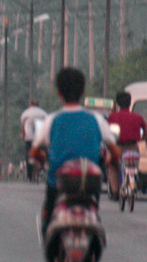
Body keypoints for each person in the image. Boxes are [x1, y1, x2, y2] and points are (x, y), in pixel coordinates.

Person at [30, 68, 120, 238]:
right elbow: (115, 150)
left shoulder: (51, 120)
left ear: (59, 93)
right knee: (93, 212)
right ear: (83, 91)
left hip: (58, 183)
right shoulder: (97, 119)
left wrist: (43, 158)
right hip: (90, 182)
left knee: (48, 221)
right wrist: (108, 161)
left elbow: (34, 151)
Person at [105, 91, 147, 199]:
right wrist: (142, 138)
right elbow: (145, 130)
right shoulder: (137, 117)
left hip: (117, 147)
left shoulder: (113, 116)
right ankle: (134, 182)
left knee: (113, 167)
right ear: (130, 103)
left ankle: (115, 192)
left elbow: (107, 131)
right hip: (133, 147)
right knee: (133, 166)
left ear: (117, 103)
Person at [20, 99, 47, 182]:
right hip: (40, 137)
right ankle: (42, 167)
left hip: (29, 137)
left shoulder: (26, 113)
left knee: (28, 155)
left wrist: (23, 134)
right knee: (44, 152)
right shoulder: (43, 113)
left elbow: (23, 126)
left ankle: (29, 175)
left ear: (30, 105)